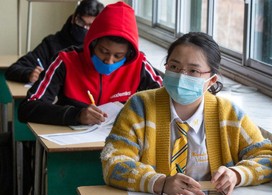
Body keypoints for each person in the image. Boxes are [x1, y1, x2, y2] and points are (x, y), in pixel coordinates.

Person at [100, 32, 272, 195]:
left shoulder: (228, 114)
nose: (181, 76)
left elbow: (271, 159)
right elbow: (113, 162)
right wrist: (160, 182)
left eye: (193, 71)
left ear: (211, 80)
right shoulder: (140, 106)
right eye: (174, 67)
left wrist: (237, 174)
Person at [18, 1, 163, 126]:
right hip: (70, 145)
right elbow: (27, 108)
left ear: (129, 54)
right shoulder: (66, 61)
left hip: (121, 146)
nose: (109, 61)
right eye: (103, 51)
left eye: (118, 56)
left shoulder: (139, 65)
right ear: (92, 43)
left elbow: (164, 100)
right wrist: (76, 115)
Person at [5, 0, 104, 84]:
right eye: (80, 22)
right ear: (73, 18)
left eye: (90, 26)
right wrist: (29, 74)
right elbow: (13, 70)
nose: (83, 28)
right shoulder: (52, 43)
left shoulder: (101, 50)